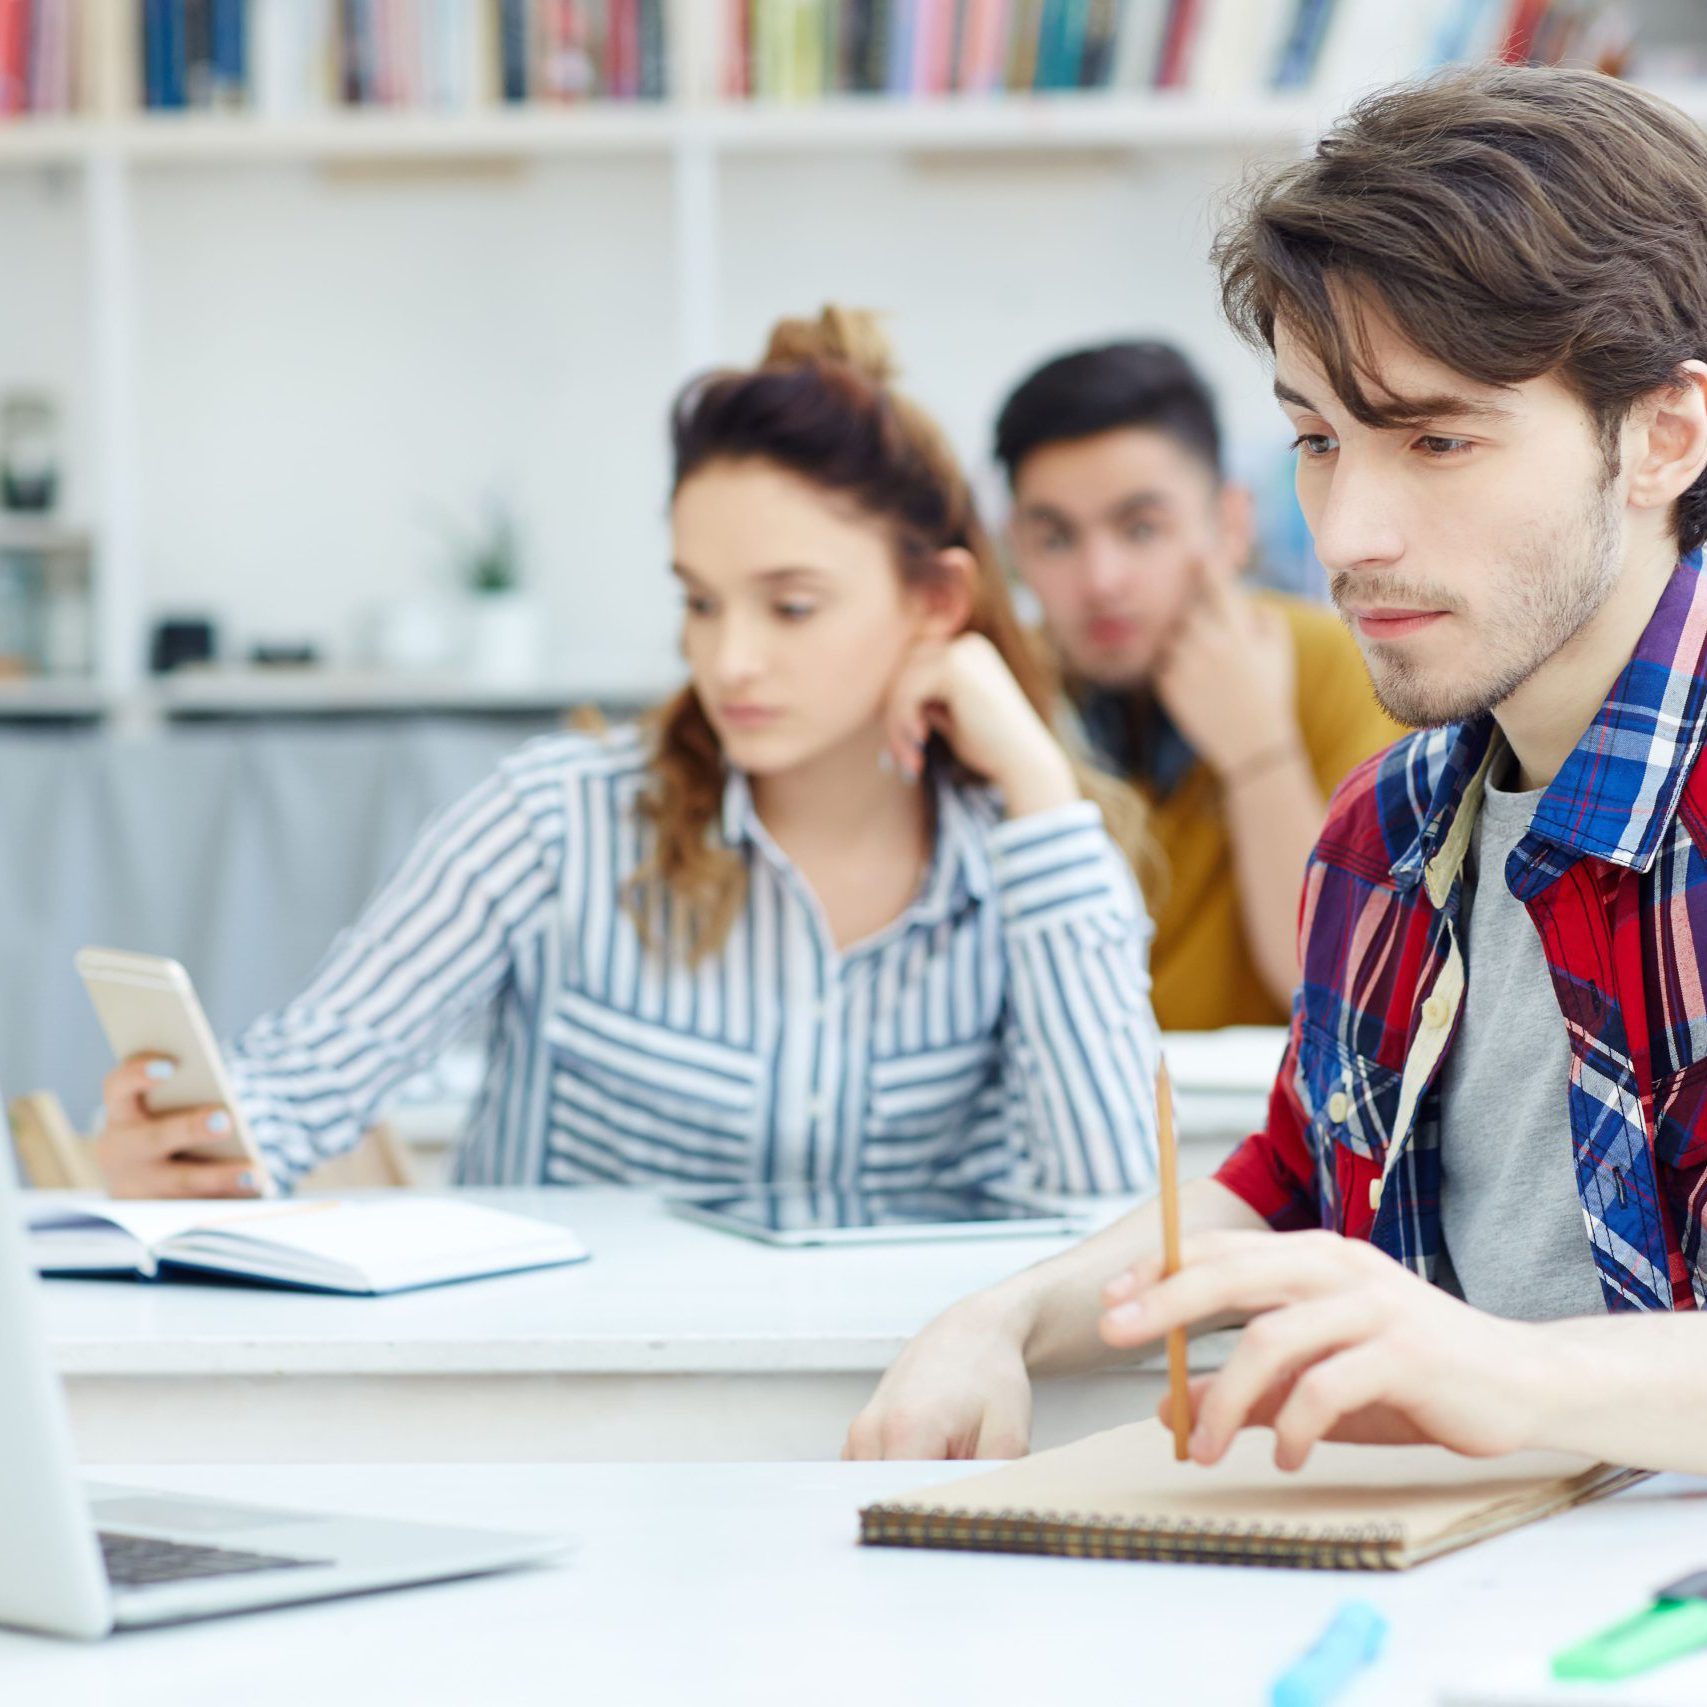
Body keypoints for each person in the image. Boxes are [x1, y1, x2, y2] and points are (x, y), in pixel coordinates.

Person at [844, 65, 1707, 1477]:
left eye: (1434, 437)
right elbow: (1287, 1186)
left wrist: (1499, 1366)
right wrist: (999, 1319)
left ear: (1660, 436)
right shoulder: (1387, 825)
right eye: (1317, 439)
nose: (1348, 528)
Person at [96, 307, 1163, 1201]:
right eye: (699, 602)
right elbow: (295, 1089)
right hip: (561, 1418)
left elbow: (1118, 1210)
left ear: (935, 603)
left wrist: (1036, 784)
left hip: (895, 1432)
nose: (728, 658)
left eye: (791, 606)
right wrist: (193, 1146)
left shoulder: (1019, 856)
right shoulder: (555, 823)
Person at [996, 340, 1402, 1028]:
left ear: (1229, 524)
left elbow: (1347, 999)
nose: (1100, 580)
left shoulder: (1344, 664)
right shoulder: (1001, 700)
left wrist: (1258, 754)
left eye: (1141, 528)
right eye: (1056, 539)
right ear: (1016, 549)